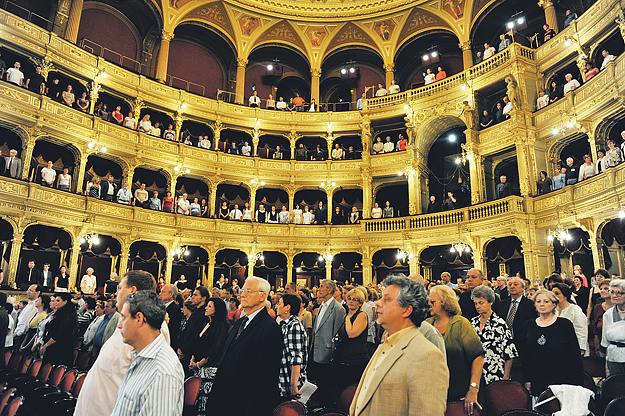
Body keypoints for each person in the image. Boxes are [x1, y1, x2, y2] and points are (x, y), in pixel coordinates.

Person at [75, 270, 171, 416]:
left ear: (133, 291)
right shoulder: (126, 321)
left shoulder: (151, 326)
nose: (116, 293)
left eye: (120, 288)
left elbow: (148, 389)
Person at [351, 275, 448, 416]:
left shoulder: (427, 355)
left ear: (406, 310)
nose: (378, 303)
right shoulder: (386, 343)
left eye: (387, 299)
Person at [209, 277, 282, 416]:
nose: (242, 294)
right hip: (224, 400)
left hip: (243, 404)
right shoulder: (241, 322)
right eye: (242, 290)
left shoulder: (269, 328)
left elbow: (265, 377)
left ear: (262, 296)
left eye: (248, 291)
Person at [110, 291, 184, 416]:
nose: (119, 325)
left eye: (124, 317)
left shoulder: (162, 373)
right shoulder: (141, 357)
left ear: (139, 319)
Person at [427, 285, 484, 408]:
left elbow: (477, 357)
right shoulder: (426, 325)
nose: (429, 304)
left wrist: (473, 389)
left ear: (445, 302)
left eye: (432, 301)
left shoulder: (461, 323)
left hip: (459, 394)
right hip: (432, 394)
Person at [522, 289, 583, 396]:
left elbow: (575, 356)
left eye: (546, 301)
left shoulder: (564, 325)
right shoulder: (528, 325)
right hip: (537, 378)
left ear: (554, 304)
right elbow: (526, 356)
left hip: (563, 379)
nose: (542, 304)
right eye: (538, 301)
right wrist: (527, 379)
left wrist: (577, 383)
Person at [470, 285, 518, 385]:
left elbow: (509, 353)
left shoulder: (500, 324)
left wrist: (506, 377)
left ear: (491, 302)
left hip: (496, 375)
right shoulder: (472, 323)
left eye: (481, 303)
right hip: (475, 375)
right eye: (475, 304)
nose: (478, 306)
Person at [309, 279, 346, 407]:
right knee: (320, 381)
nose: (319, 289)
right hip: (317, 350)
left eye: (321, 287)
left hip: (328, 352)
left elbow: (337, 333)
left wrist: (333, 355)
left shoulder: (338, 308)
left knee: (328, 384)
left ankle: (329, 407)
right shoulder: (321, 306)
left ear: (330, 290)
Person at [189, 297, 229, 414]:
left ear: (217, 310)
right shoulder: (206, 323)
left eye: (209, 306)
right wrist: (193, 359)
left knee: (205, 402)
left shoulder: (221, 325)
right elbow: (196, 342)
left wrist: (200, 363)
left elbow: (216, 348)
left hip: (209, 368)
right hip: (198, 367)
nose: (206, 308)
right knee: (196, 400)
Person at [334, 288, 369, 392]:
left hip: (356, 360)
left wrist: (348, 317)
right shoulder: (346, 316)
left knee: (351, 392)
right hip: (344, 359)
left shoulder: (361, 315)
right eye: (349, 298)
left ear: (360, 303)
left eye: (355, 299)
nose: (351, 301)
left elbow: (351, 333)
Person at [276, 293, 308, 401]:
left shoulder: (294, 326)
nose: (276, 306)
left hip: (290, 381)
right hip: (284, 379)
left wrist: (293, 385)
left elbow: (296, 357)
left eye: (279, 304)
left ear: (287, 308)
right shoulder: (285, 324)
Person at [41, 293, 77, 366]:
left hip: (61, 349)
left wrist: (46, 345)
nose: (55, 303)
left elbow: (59, 333)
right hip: (52, 346)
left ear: (65, 302)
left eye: (58, 300)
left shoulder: (68, 315)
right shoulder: (58, 313)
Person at [601, 279, 625, 375]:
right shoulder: (608, 314)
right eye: (612, 292)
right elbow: (606, 342)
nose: (614, 296)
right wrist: (607, 365)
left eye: (619, 293)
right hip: (614, 359)